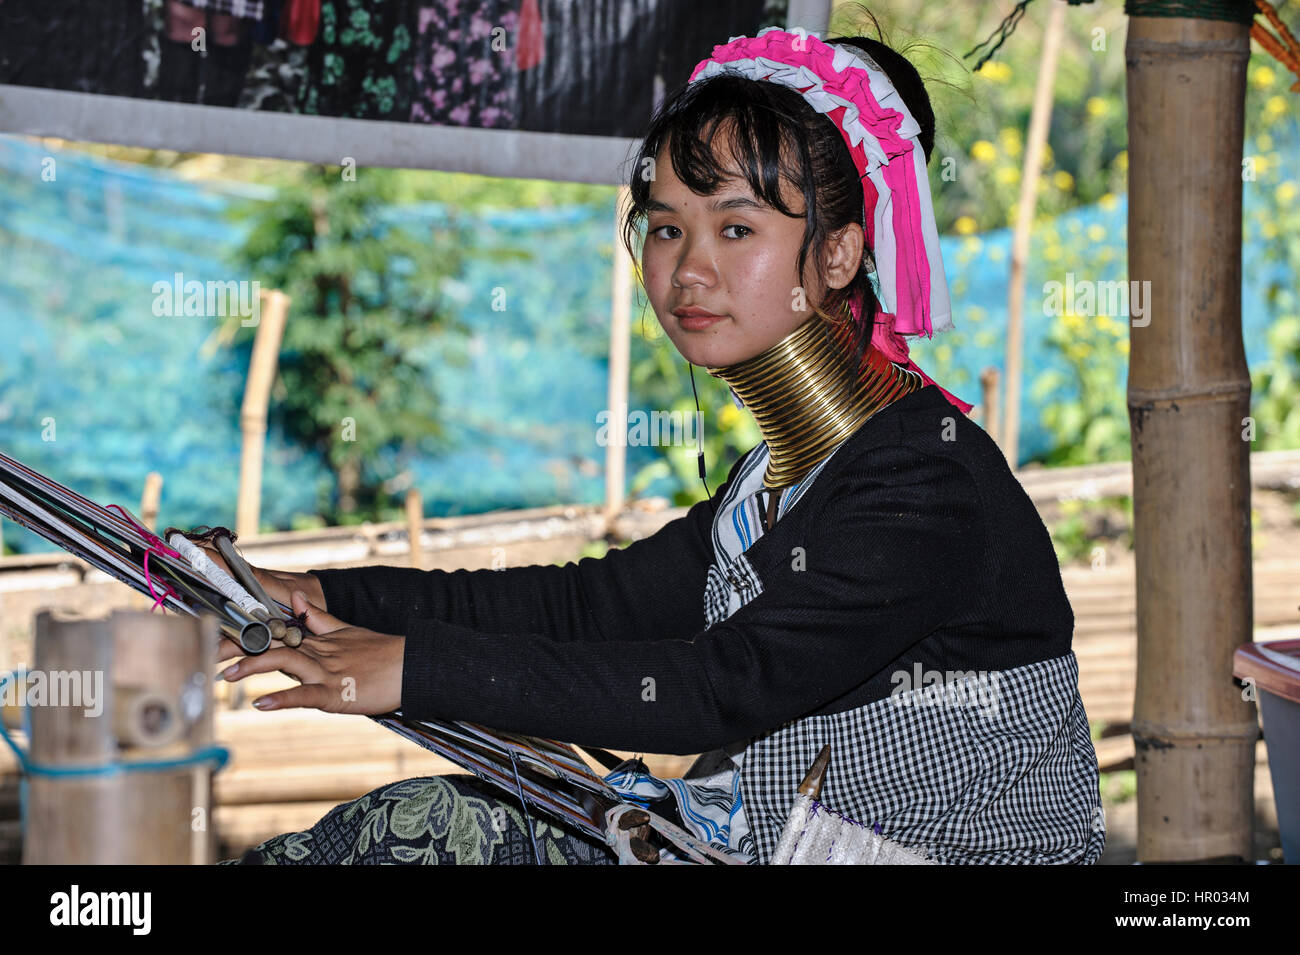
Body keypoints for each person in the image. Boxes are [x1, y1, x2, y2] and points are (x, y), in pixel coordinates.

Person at [213, 23, 1105, 865]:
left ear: (838, 256)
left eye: (737, 228)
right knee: (420, 829)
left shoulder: (926, 480)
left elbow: (719, 685)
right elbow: (590, 607)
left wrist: (414, 667)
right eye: (668, 226)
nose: (688, 269)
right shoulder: (778, 480)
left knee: (431, 833)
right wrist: (326, 591)